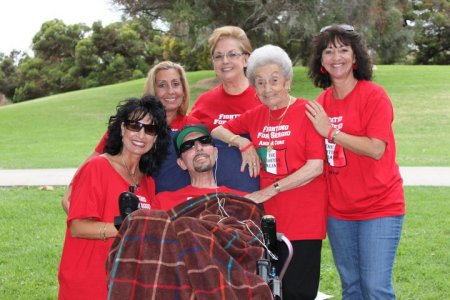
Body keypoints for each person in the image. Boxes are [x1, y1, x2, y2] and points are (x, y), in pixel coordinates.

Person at [211, 44, 327, 300]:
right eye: (260, 83)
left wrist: (268, 191)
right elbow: (216, 130)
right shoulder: (256, 116)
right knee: (272, 291)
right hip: (267, 223)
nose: (267, 89)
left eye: (274, 80)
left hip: (304, 219)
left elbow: (315, 167)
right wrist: (242, 142)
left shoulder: (308, 111)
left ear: (287, 81)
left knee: (299, 291)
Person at [306, 24, 405, 299]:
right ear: (321, 62)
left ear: (355, 57)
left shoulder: (374, 96)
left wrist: (332, 132)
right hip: (339, 212)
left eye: (343, 49)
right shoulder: (321, 103)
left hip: (380, 207)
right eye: (328, 51)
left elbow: (375, 149)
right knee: (351, 288)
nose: (336, 57)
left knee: (375, 287)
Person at [58, 95, 171, 299]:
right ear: (121, 129)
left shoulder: (147, 182)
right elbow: (78, 226)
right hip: (88, 283)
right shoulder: (97, 168)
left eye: (150, 129)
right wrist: (125, 228)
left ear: (156, 138)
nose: (141, 134)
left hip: (126, 284)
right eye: (134, 126)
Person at [61, 61, 199, 213]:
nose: (170, 91)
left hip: (178, 208)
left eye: (175, 84)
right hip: (136, 206)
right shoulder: (129, 125)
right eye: (162, 85)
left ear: (184, 90)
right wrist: (71, 191)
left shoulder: (193, 127)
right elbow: (94, 161)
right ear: (152, 91)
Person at [153, 124, 246, 210]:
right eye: (188, 146)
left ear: (215, 153)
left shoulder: (241, 200)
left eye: (204, 141)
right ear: (182, 163)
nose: (198, 148)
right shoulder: (163, 201)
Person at [189, 26, 261, 131]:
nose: (225, 61)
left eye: (232, 54)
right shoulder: (204, 102)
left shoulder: (265, 98)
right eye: (218, 56)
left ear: (246, 59)